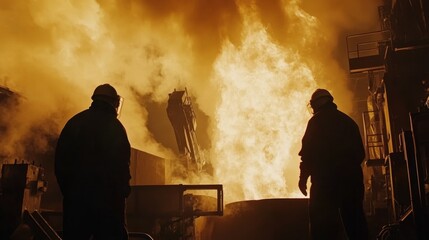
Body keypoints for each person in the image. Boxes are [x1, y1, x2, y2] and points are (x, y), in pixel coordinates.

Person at [55, 83, 131, 240]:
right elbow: (121, 166)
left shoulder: (74, 123)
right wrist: (122, 192)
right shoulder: (115, 127)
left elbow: (61, 164)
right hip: (108, 207)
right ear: (113, 102)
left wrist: (70, 194)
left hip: (76, 205)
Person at [298, 89, 369, 240]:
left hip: (325, 184)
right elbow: (360, 154)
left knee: (322, 227)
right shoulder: (347, 121)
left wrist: (303, 178)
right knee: (355, 224)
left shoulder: (316, 122)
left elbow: (307, 154)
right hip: (351, 183)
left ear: (316, 104)